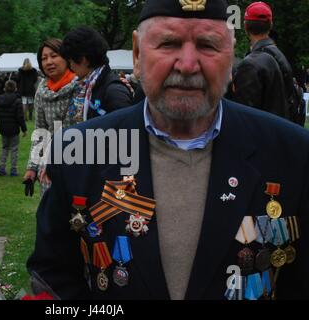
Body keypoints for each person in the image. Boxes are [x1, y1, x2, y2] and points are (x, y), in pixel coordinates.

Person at [27, 0, 309, 300]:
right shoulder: (80, 149)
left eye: (208, 45)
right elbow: (54, 274)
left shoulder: (293, 153)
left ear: (231, 57)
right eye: (168, 43)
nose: (187, 65)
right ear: (137, 54)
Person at [23, 38, 77, 196]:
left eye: (54, 56)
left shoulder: (81, 85)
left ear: (66, 58)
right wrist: (32, 167)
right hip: (49, 164)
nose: (49, 62)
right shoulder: (41, 90)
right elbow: (41, 131)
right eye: (44, 58)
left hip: (78, 160)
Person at [231, 2, 294, 121]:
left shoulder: (250, 65)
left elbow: (244, 116)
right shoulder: (280, 56)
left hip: (260, 136)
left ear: (245, 26)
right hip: (278, 131)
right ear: (271, 25)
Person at [60, 26, 133, 122]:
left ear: (83, 59)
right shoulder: (90, 86)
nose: (71, 67)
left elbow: (128, 133)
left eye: (70, 61)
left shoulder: (114, 91)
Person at [0, 80, 27, 177]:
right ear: (15, 89)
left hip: (3, 128)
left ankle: (1, 167)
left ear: (4, 88)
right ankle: (13, 169)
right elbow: (20, 117)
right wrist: (24, 129)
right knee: (14, 149)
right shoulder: (17, 100)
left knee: (5, 148)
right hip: (14, 128)